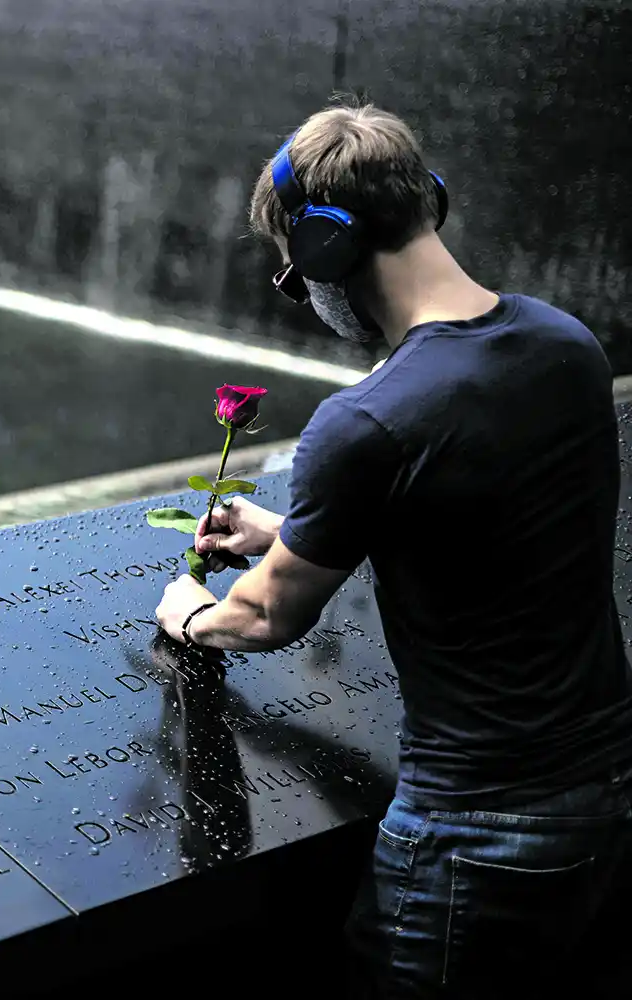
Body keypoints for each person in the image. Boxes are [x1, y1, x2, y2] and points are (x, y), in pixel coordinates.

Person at [153, 98, 632, 996]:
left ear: (328, 249)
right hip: (606, 795)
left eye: (298, 276)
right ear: (429, 202)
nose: (310, 295)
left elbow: (266, 617)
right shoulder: (569, 347)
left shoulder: (367, 419)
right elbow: (482, 518)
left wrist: (194, 616)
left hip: (474, 833)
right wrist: (293, 531)